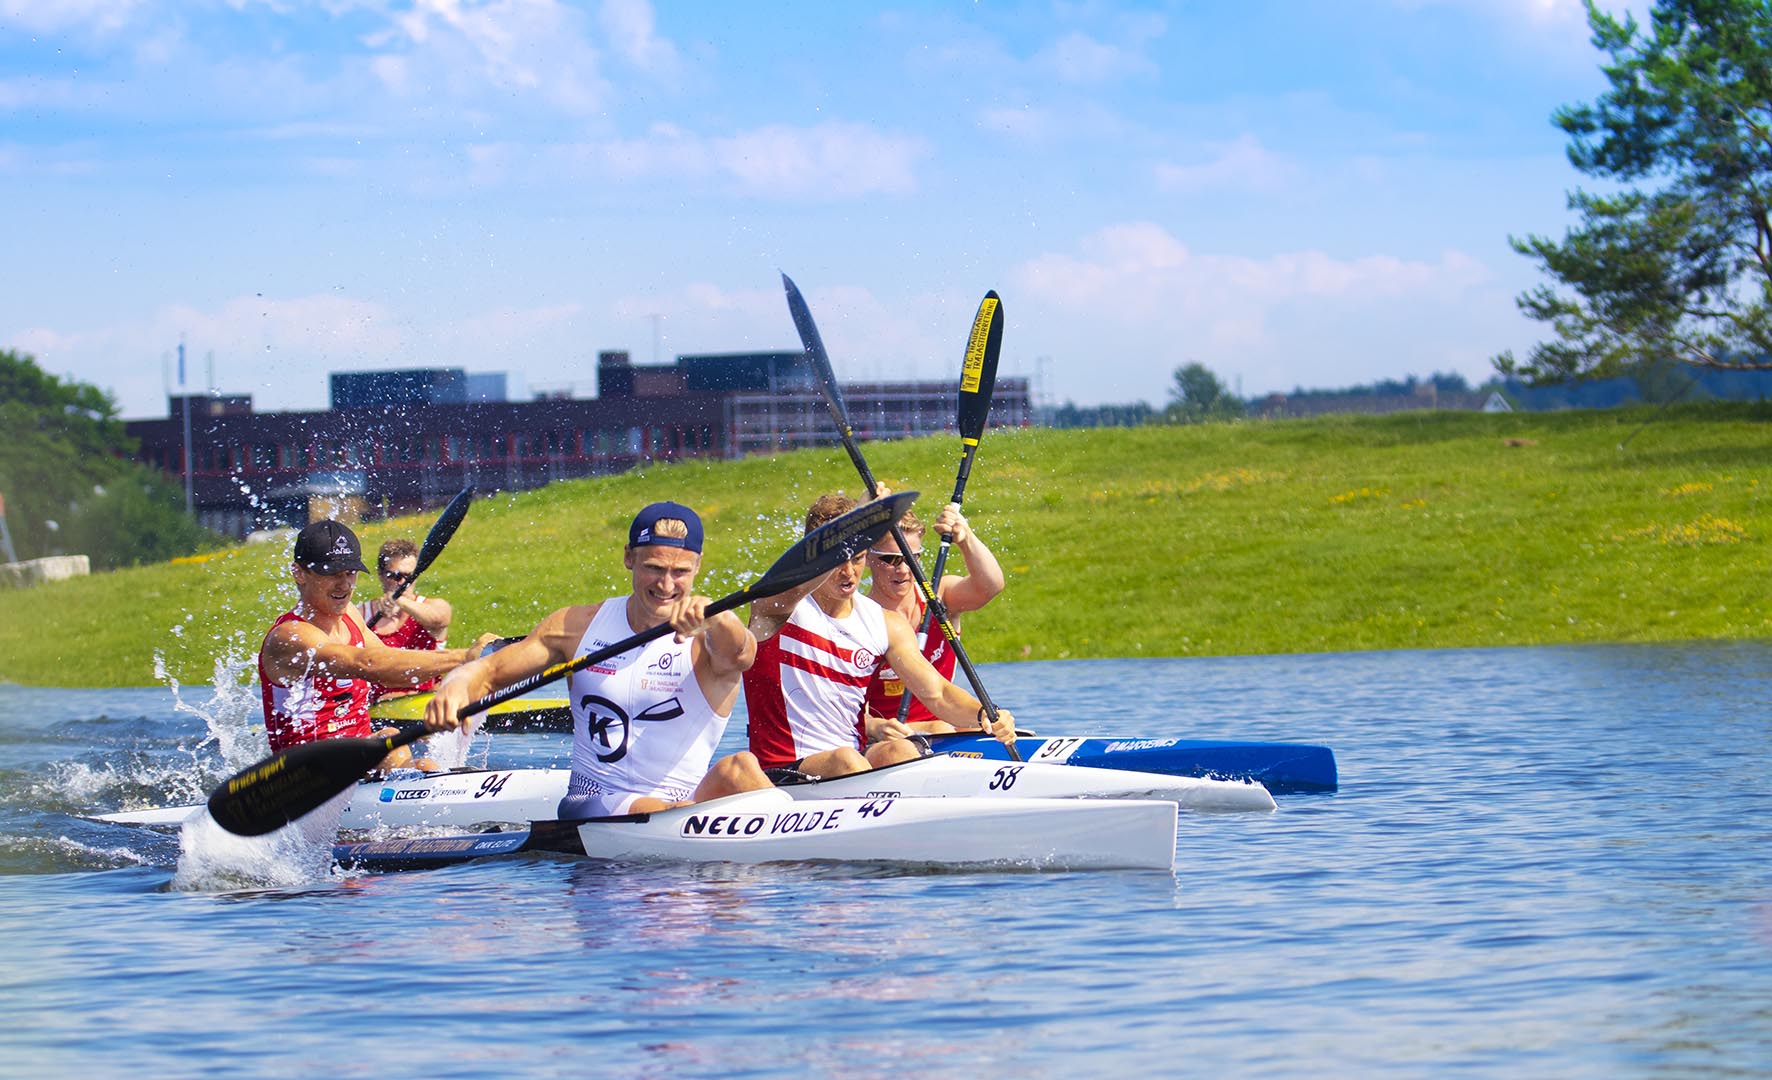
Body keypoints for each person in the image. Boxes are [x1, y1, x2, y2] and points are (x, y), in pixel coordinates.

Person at [424, 501, 774, 817]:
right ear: (628, 558)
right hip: (592, 804)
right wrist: (456, 685)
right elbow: (489, 672)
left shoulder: (713, 639)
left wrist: (719, 616)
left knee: (740, 766)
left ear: (698, 566)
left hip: (682, 806)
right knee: (677, 812)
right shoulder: (577, 627)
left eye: (680, 572)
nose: (666, 585)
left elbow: (743, 653)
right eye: (654, 568)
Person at [743, 493, 1016, 780]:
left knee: (901, 751)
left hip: (853, 764)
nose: (849, 573)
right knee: (846, 759)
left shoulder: (885, 623)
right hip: (781, 770)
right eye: (837, 561)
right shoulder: (777, 607)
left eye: (858, 558)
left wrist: (985, 713)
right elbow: (786, 581)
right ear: (814, 558)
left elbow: (938, 693)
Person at [258, 519, 495, 772]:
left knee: (403, 748)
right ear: (299, 573)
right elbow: (368, 664)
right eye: (331, 574)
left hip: (357, 756)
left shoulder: (350, 614)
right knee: (414, 759)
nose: (345, 584)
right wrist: (463, 657)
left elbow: (390, 665)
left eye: (350, 573)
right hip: (309, 773)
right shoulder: (289, 636)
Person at [862, 501, 1004, 731]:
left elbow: (991, 586)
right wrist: (873, 727)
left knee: (987, 725)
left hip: (946, 723)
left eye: (912, 557)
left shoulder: (940, 598)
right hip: (889, 738)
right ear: (867, 558)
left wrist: (965, 537)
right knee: (943, 728)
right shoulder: (860, 618)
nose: (904, 569)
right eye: (891, 559)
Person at [359, 537, 453, 699]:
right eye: (394, 576)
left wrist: (400, 601)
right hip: (378, 711)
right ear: (380, 575)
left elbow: (440, 619)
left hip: (422, 706)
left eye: (409, 577)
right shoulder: (361, 614)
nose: (402, 583)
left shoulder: (434, 607)